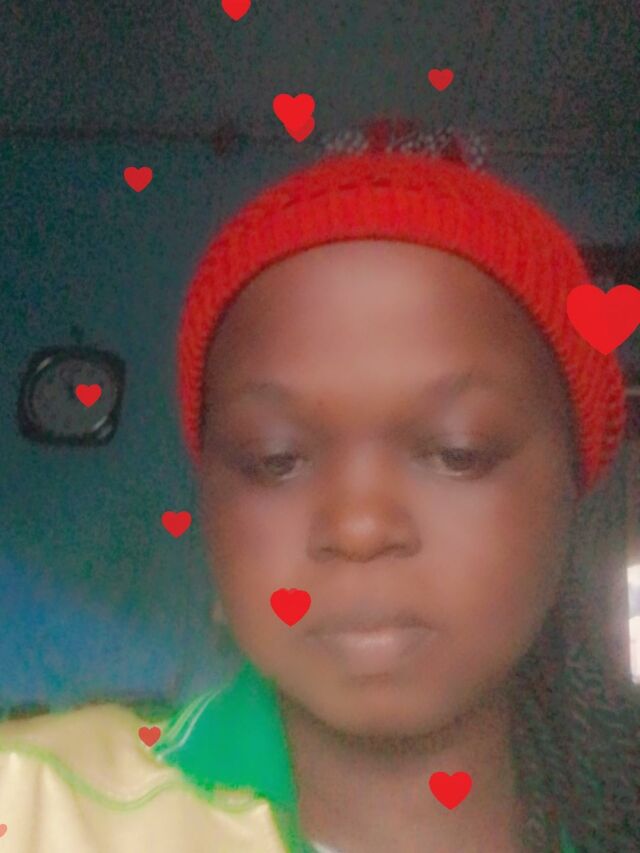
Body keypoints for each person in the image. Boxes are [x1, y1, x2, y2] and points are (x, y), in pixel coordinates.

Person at [1, 118, 638, 852]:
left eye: (457, 452)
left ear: (574, 492)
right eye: (275, 460)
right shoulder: (32, 805)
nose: (359, 525)